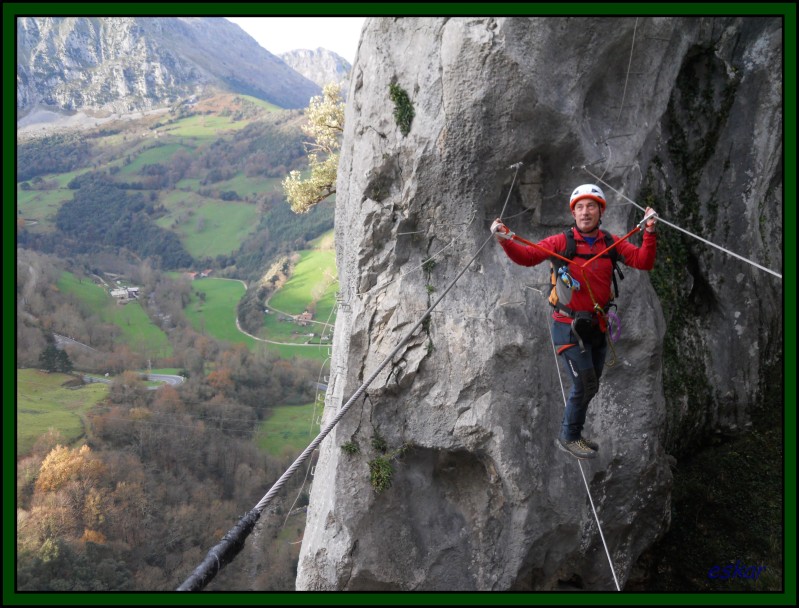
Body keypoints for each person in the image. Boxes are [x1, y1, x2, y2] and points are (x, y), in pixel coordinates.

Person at [491, 184, 658, 459]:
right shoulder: (561, 243)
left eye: (591, 206)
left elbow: (643, 261)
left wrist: (649, 232)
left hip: (597, 326)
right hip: (567, 328)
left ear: (600, 210)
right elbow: (528, 256)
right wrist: (505, 239)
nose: (585, 212)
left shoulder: (611, 243)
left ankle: (574, 433)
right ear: (573, 213)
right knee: (583, 385)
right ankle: (568, 436)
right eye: (579, 207)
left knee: (591, 385)